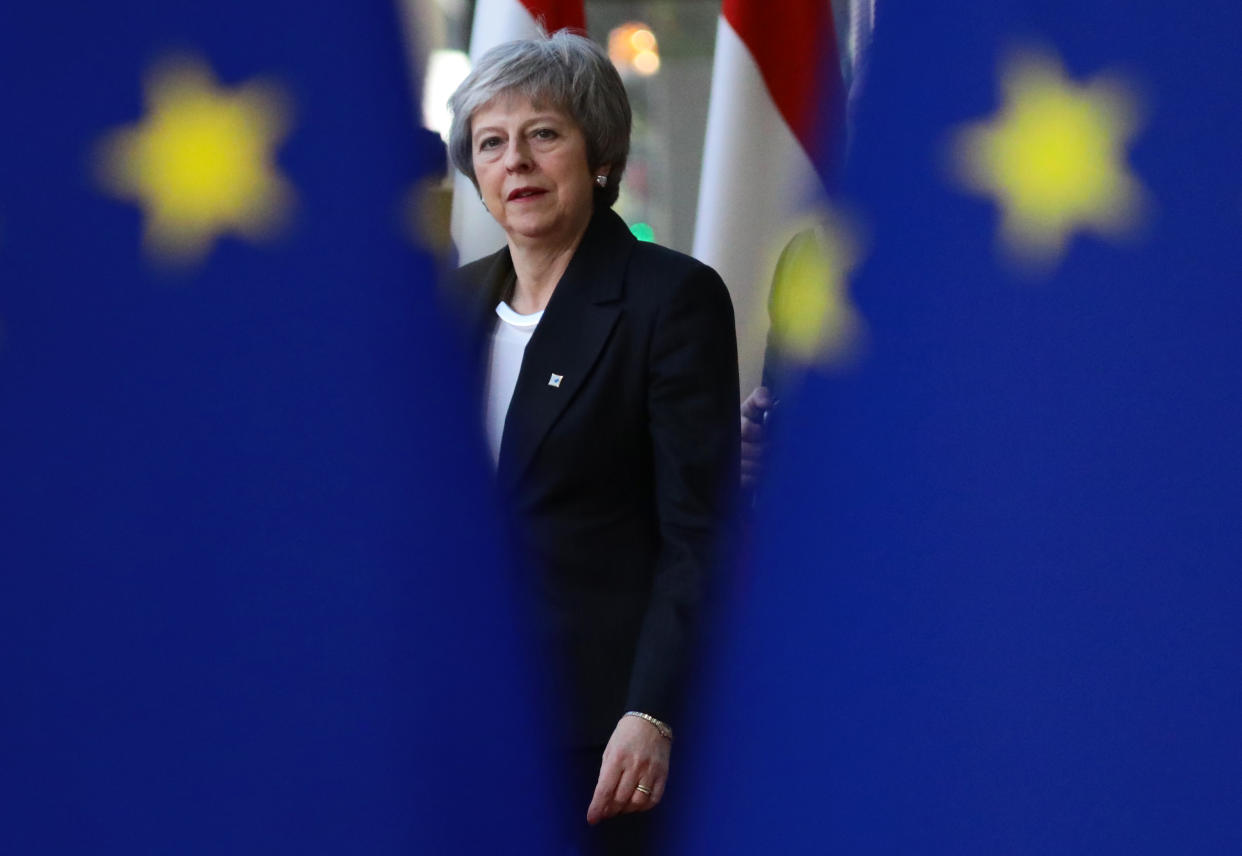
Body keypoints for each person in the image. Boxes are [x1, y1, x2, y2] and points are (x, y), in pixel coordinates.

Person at [446, 31, 740, 853]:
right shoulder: (448, 304)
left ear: (601, 156)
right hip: (464, 716)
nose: (518, 163)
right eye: (492, 144)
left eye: (544, 134)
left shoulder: (668, 299)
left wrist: (652, 712)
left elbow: (700, 532)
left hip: (600, 735)